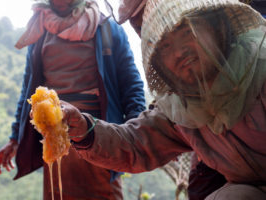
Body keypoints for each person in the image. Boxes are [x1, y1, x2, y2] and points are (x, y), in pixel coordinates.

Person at [60, 0, 266, 199]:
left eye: (187, 32)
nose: (179, 52)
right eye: (165, 47)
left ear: (218, 27)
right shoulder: (181, 107)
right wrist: (84, 128)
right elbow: (135, 143)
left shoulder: (260, 71)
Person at [0, 0, 146, 199]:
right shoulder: (40, 31)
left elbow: (131, 84)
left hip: (101, 138)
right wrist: (15, 138)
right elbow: (28, 91)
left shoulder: (106, 27)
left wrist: (137, 133)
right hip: (55, 141)